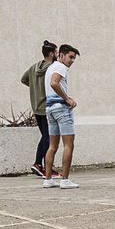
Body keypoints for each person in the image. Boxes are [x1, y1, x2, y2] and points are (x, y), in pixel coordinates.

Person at [41, 44, 80, 188]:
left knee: (52, 146)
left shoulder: (50, 67)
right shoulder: (61, 67)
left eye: (74, 58)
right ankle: (65, 180)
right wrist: (67, 99)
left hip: (50, 109)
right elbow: (54, 83)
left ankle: (48, 179)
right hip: (61, 109)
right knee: (68, 145)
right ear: (61, 55)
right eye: (70, 57)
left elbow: (51, 84)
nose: (72, 60)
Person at [20, 40, 56, 177]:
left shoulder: (34, 67)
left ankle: (38, 164)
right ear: (51, 53)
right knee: (49, 138)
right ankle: (40, 164)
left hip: (36, 107)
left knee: (45, 137)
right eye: (56, 52)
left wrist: (35, 89)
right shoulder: (52, 68)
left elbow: (23, 80)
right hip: (46, 107)